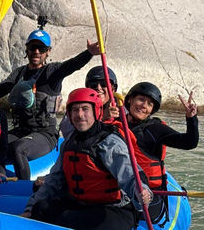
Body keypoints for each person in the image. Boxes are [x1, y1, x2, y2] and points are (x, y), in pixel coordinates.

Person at [21, 88, 152, 230]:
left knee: (67, 219)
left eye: (85, 109)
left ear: (96, 111)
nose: (80, 114)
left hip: (114, 209)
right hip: (82, 204)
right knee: (40, 208)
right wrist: (30, 208)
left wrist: (142, 192)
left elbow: (130, 173)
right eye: (75, 110)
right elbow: (54, 180)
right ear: (70, 115)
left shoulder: (109, 142)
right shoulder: (69, 142)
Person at [0, 27, 99, 179]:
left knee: (18, 148)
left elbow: (71, 66)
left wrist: (88, 53)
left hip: (45, 134)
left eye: (41, 48)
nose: (36, 52)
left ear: (48, 51)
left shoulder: (51, 72)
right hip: (21, 130)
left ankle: (24, 188)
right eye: (33, 47)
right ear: (27, 49)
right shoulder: (19, 73)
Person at [125, 82, 199, 223]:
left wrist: (191, 118)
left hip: (150, 193)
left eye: (149, 104)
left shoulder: (156, 129)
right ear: (130, 99)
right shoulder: (116, 123)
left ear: (152, 110)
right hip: (120, 188)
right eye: (141, 99)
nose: (144, 106)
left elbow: (189, 143)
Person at [60, 66, 120, 138]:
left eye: (104, 84)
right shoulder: (79, 105)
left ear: (113, 89)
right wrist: (101, 118)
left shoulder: (122, 109)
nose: (98, 88)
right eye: (93, 85)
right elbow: (67, 132)